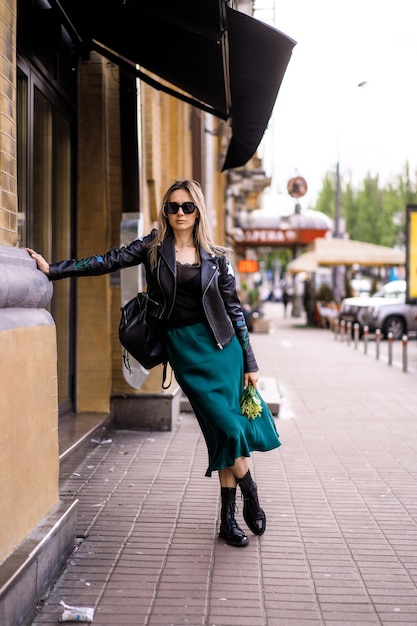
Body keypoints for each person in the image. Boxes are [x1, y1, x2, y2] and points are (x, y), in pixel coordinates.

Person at [24, 179, 281, 548]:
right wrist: (55, 270)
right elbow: (107, 261)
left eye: (187, 207)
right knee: (227, 427)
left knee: (223, 432)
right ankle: (251, 493)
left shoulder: (217, 257)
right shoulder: (152, 248)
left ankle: (227, 521)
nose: (179, 213)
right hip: (184, 350)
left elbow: (235, 311)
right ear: (165, 211)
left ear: (198, 212)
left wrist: (251, 363)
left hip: (223, 351)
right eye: (172, 207)